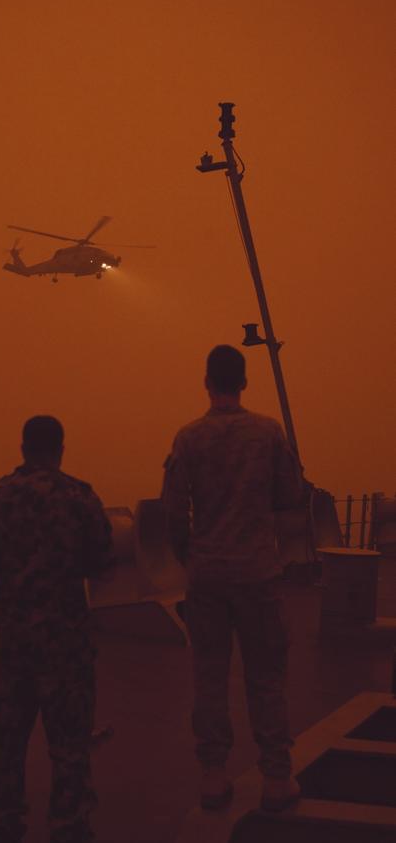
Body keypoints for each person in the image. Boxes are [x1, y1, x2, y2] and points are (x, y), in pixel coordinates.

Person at [162, 346, 303, 812]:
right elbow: (288, 498)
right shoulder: (268, 434)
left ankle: (214, 775)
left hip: (208, 576)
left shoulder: (187, 439)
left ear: (208, 382)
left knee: (210, 676)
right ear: (243, 383)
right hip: (258, 574)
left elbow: (173, 514)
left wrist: (193, 556)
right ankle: (277, 778)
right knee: (266, 677)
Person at [0, 416, 112, 843]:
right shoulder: (79, 498)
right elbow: (102, 561)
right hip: (65, 644)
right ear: (61, 449)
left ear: (23, 447)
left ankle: (4, 824)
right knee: (69, 746)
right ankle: (68, 827)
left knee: (7, 743)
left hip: (11, 644)